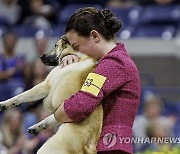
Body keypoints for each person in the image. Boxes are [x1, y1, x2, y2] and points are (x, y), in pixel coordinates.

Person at [50, 7, 140, 154]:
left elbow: (79, 106)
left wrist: (56, 115)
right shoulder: (111, 63)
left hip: (110, 146)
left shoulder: (113, 64)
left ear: (95, 36)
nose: (78, 53)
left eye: (77, 47)